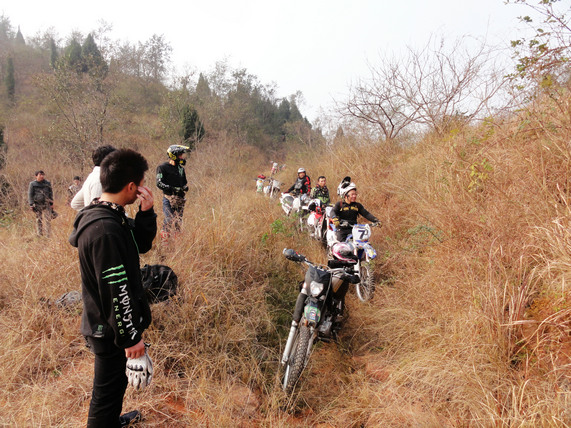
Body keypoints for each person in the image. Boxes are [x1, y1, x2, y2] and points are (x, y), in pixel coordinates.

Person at [69, 149, 157, 427]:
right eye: (140, 184)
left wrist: (146, 212)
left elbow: (139, 244)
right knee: (105, 393)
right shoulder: (105, 229)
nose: (141, 189)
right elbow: (115, 292)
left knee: (115, 384)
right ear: (131, 186)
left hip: (108, 326)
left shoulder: (110, 214)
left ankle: (110, 421)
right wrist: (131, 339)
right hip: (107, 329)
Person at [156, 145, 189, 241]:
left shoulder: (181, 169)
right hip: (168, 198)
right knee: (169, 220)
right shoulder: (162, 167)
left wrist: (184, 188)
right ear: (174, 155)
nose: (182, 157)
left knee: (178, 222)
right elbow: (159, 183)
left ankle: (176, 245)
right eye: (180, 155)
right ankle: (164, 243)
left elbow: (184, 182)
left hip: (180, 200)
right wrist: (172, 189)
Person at [71, 145, 117, 211]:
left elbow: (75, 203)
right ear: (108, 161)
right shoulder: (99, 180)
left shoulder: (92, 176)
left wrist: (88, 214)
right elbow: (97, 209)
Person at [28, 170, 54, 237]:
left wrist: (51, 202)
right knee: (39, 220)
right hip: (37, 204)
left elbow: (50, 193)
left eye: (43, 175)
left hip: (46, 203)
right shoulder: (32, 184)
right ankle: (39, 234)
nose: (42, 176)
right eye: (40, 175)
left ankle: (48, 235)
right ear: (36, 176)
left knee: (48, 219)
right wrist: (31, 204)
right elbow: (30, 194)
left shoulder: (47, 183)